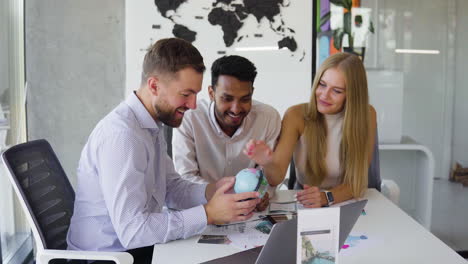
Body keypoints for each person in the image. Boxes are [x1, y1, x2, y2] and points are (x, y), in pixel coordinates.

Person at [66, 38, 260, 264]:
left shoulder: (149, 125)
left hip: (135, 251)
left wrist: (212, 190)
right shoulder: (123, 136)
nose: (193, 104)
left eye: (196, 94)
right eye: (186, 94)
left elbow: (170, 188)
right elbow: (133, 231)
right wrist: (208, 213)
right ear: (154, 86)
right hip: (109, 258)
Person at [244, 52, 377, 208]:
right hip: (305, 202)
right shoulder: (296, 115)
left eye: (337, 91)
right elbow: (276, 178)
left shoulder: (367, 115)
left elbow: (357, 182)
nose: (324, 95)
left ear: (352, 96)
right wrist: (268, 163)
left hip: (344, 202)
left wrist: (325, 197)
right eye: (322, 84)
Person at [172, 55, 281, 210]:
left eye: (245, 99)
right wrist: (227, 196)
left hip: (251, 211)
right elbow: (185, 178)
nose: (236, 109)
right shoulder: (189, 118)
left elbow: (267, 179)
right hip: (204, 209)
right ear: (211, 93)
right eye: (227, 98)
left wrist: (263, 193)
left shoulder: (268, 118)